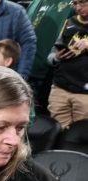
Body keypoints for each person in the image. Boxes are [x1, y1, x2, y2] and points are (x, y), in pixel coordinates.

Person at [48, 0, 88, 130]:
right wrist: (56, 57)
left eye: (82, 3)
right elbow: (51, 55)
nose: (78, 7)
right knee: (57, 132)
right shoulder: (69, 21)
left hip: (85, 94)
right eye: (75, 3)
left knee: (80, 136)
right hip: (60, 88)